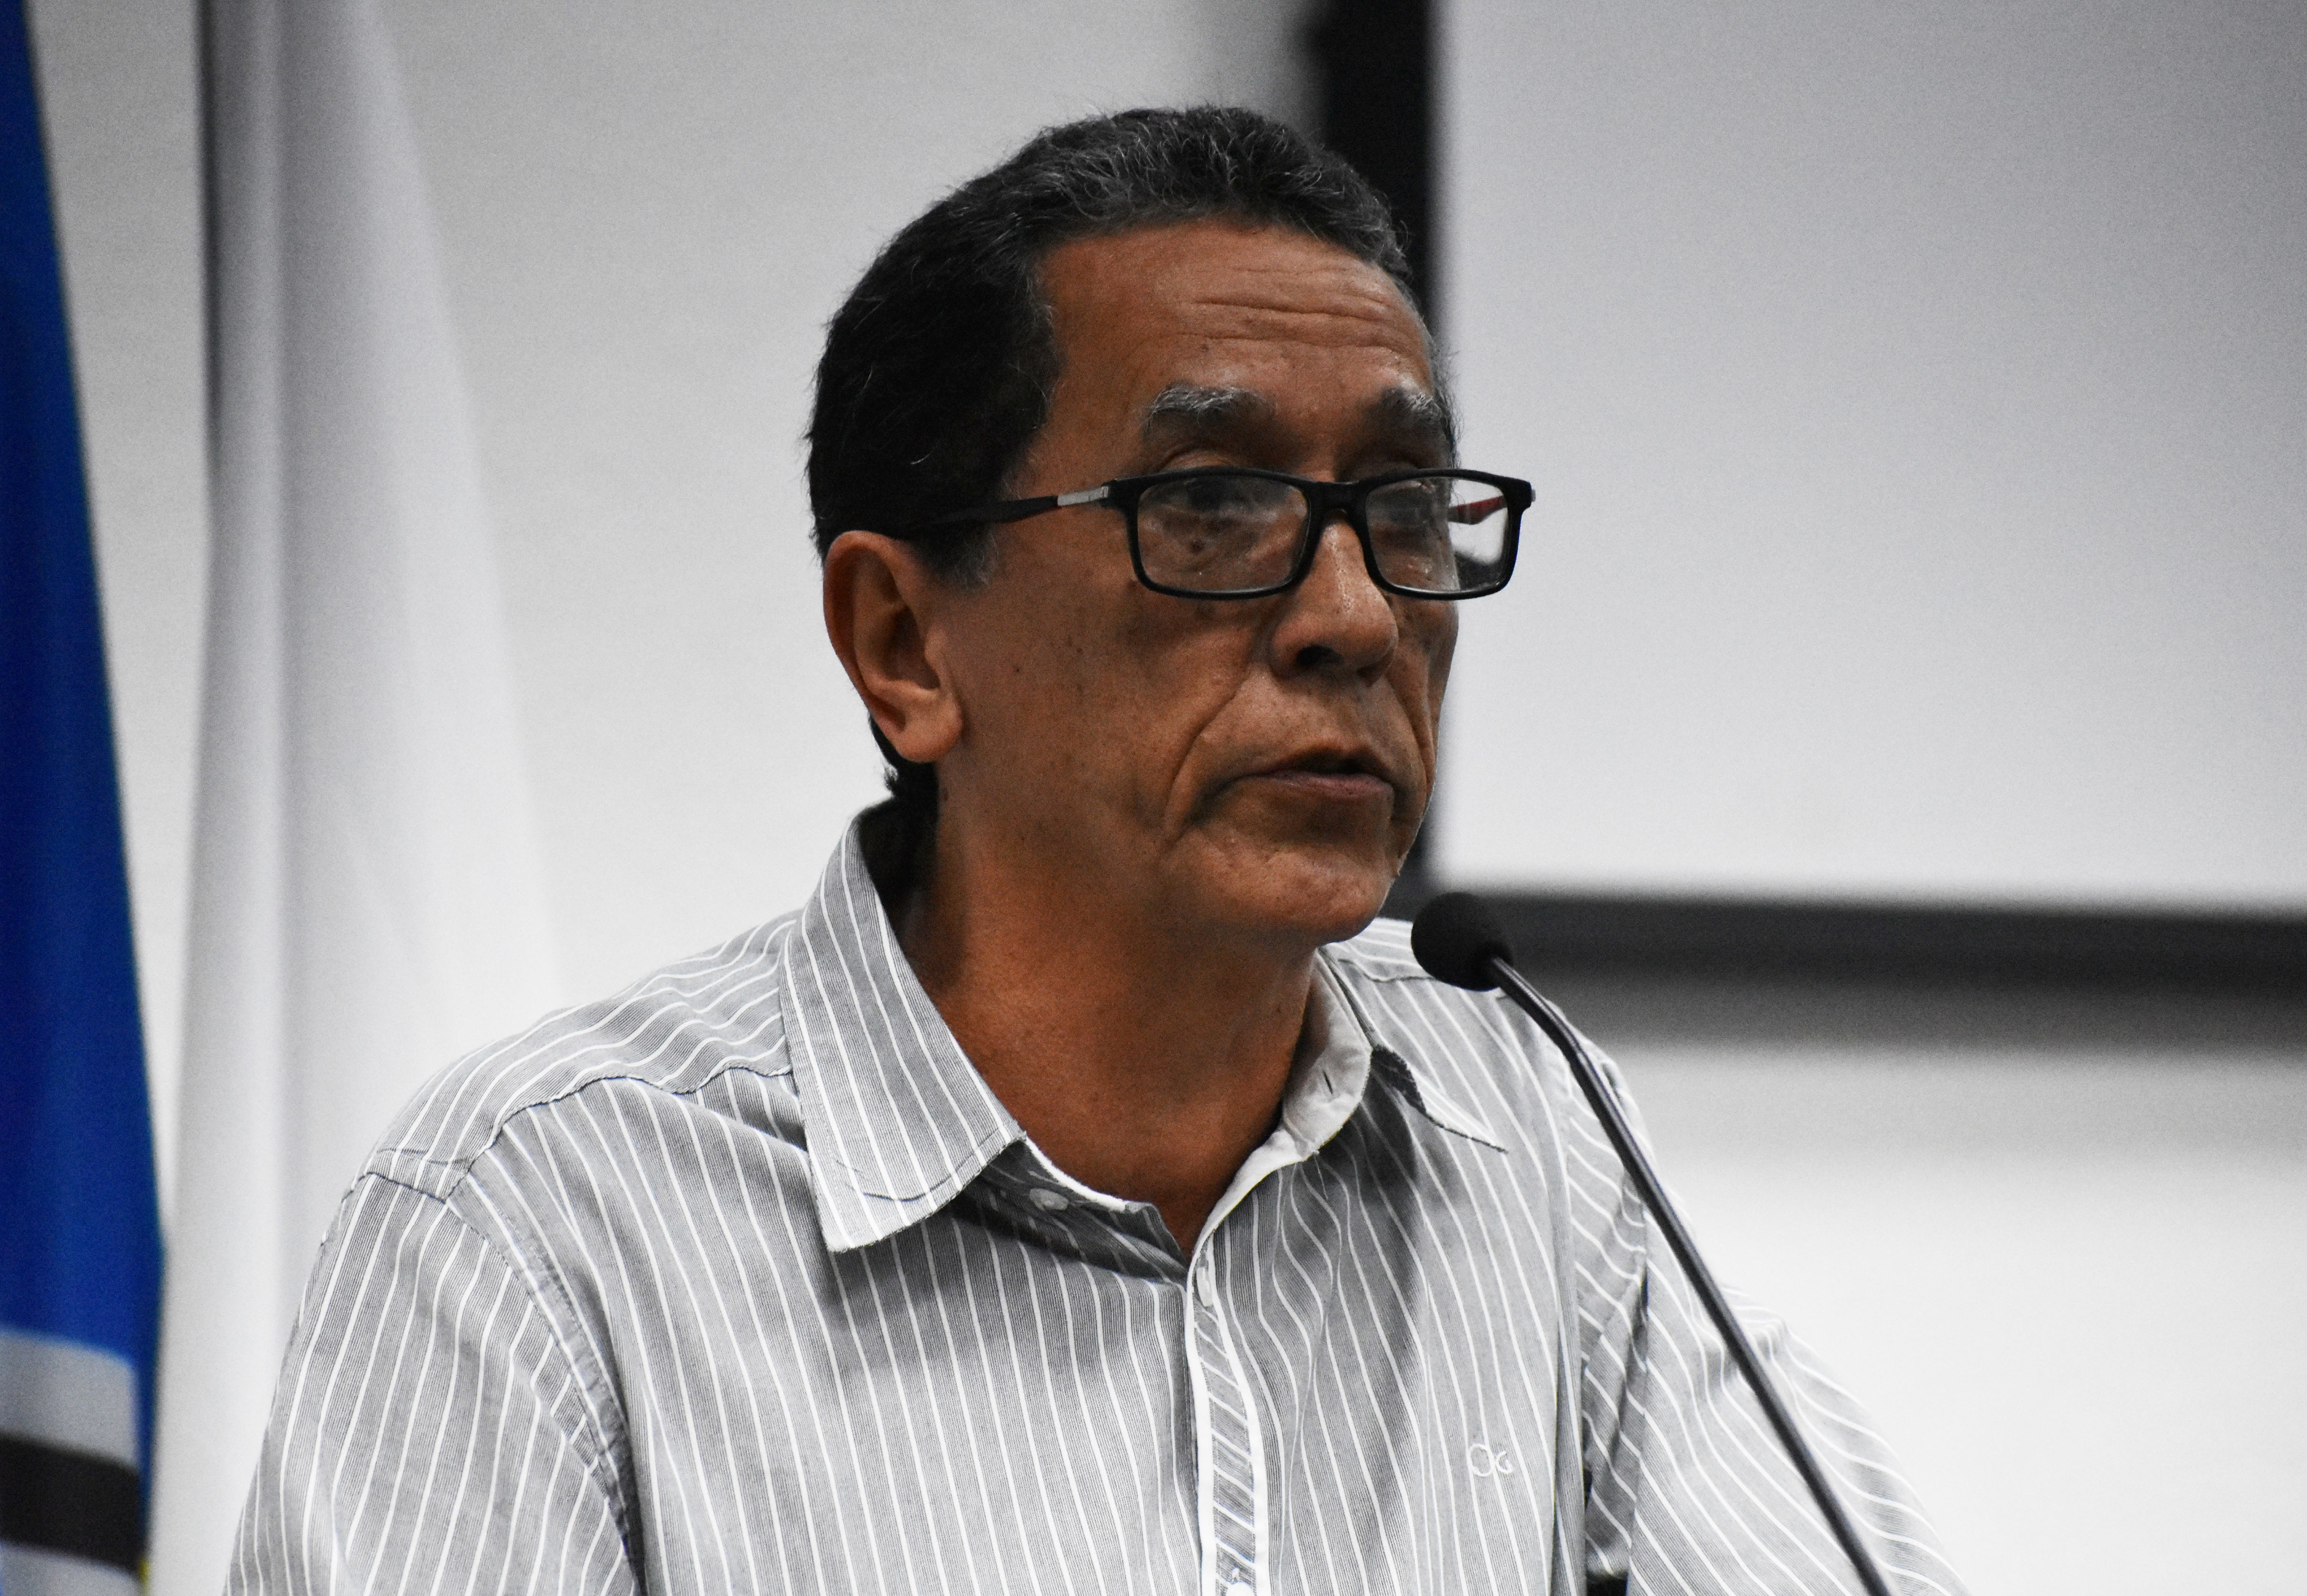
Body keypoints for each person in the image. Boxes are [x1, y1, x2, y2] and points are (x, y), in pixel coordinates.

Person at [230, 108, 1963, 1596]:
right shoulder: (534, 1222)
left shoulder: (1529, 1130)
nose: (1357, 617)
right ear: (906, 642)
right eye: (1210, 506)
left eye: (1405, 508)